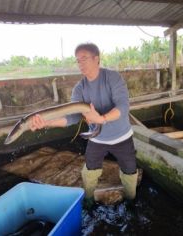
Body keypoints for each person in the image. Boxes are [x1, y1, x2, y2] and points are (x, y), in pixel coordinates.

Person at [29, 43, 138, 204]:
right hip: (97, 138)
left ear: (97, 59)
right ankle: (88, 200)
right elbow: (72, 117)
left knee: (129, 171)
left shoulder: (112, 77)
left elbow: (123, 106)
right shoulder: (79, 88)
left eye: (84, 59)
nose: (80, 64)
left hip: (122, 136)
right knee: (90, 172)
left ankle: (131, 200)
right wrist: (46, 122)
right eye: (77, 61)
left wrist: (101, 119)